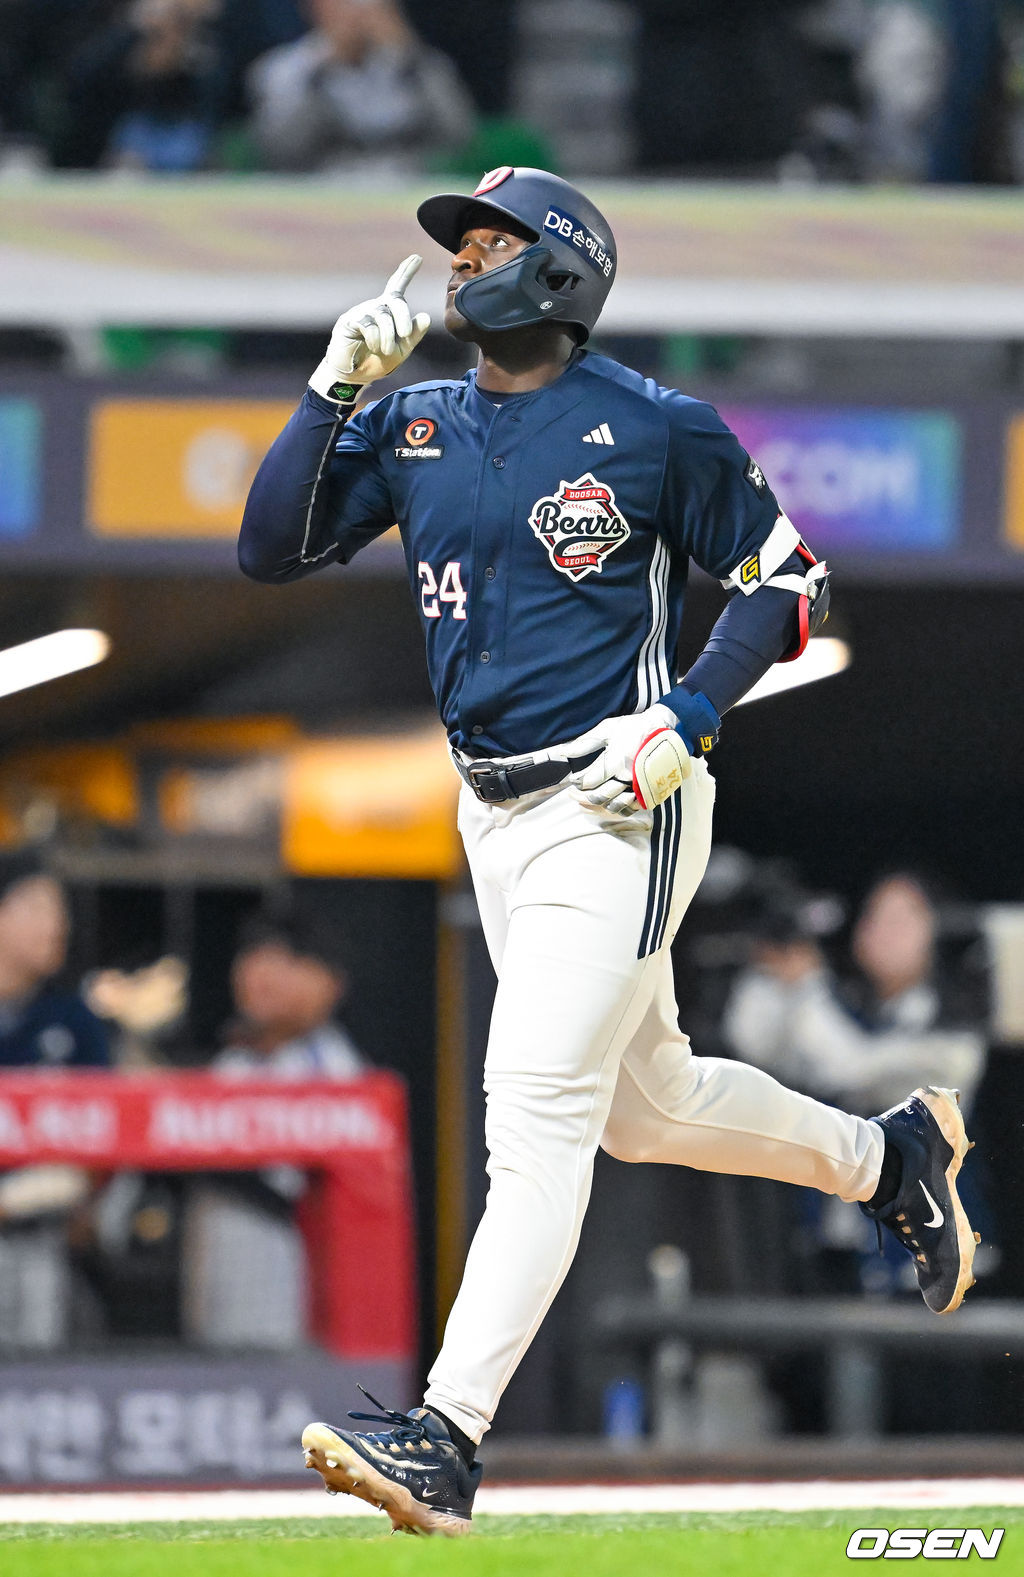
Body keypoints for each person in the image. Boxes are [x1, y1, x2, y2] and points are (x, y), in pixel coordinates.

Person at [238, 165, 978, 1534]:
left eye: (488, 243)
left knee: (534, 1111)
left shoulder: (651, 423)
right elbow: (266, 549)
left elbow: (791, 580)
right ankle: (887, 1160)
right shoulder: (412, 420)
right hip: (489, 809)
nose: (460, 264)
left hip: (616, 796)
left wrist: (688, 713)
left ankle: (448, 1434)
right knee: (646, 1104)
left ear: (561, 268)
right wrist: (331, 389)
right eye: (457, 246)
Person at [181, 912, 365, 1348]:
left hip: (286, 1260)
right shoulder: (234, 1060)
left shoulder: (334, 1067)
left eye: (286, 960)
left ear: (330, 983)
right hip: (217, 1254)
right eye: (253, 956)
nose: (261, 973)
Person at [0, 848, 110, 1349]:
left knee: (41, 1373)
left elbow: (111, 1134)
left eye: (60, 910)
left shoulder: (74, 1018)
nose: (57, 925)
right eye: (40, 907)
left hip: (46, 1237)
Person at [245, 0, 474, 175]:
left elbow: (459, 135)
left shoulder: (416, 65)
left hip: (407, 187)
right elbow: (278, 149)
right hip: (319, 190)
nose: (356, 12)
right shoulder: (285, 68)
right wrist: (323, 74)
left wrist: (410, 58)